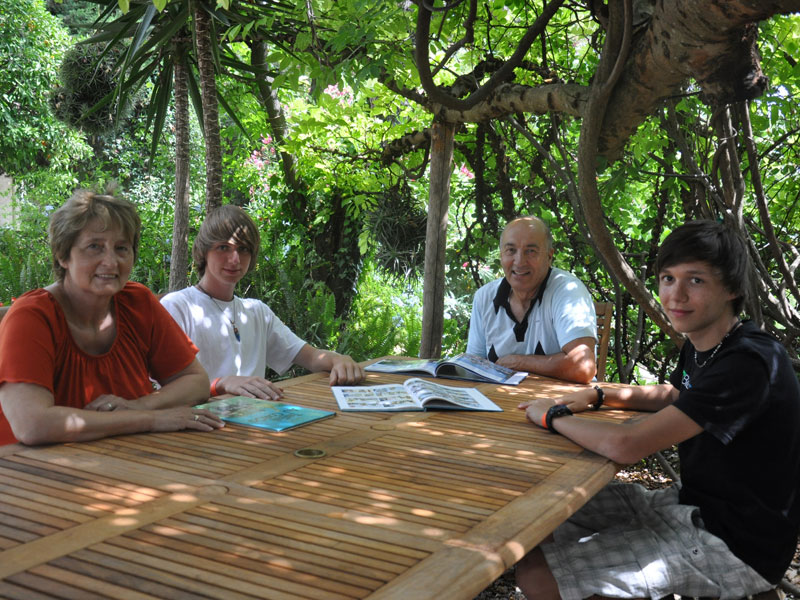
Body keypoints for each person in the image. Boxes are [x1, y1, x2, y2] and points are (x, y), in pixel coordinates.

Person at [515, 220, 800, 600]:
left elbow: (627, 445)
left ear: (731, 288)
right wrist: (599, 395)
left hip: (737, 543)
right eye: (667, 278)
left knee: (536, 576)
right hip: (691, 505)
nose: (675, 295)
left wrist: (551, 416)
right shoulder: (706, 343)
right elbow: (676, 396)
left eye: (695, 280)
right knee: (545, 507)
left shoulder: (748, 362)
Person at [0, 188, 224, 446]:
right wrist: (150, 420)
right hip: (28, 472)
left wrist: (138, 406)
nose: (110, 261)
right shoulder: (33, 317)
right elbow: (33, 425)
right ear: (63, 256)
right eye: (94, 247)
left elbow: (195, 382)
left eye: (121, 248)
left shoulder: (137, 303)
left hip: (123, 458)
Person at [160, 204, 364, 401]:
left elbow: (312, 358)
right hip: (197, 425)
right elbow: (166, 387)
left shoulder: (257, 312)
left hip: (253, 423)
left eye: (243, 249)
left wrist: (339, 359)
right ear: (204, 251)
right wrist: (221, 383)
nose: (234, 259)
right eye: (223, 247)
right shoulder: (177, 307)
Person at [466, 216, 597, 384]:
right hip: (501, 402)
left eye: (531, 251)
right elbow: (472, 368)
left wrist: (520, 362)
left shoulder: (567, 291)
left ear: (549, 256)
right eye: (511, 250)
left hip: (561, 404)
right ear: (501, 256)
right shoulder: (485, 297)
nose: (519, 262)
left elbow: (583, 367)